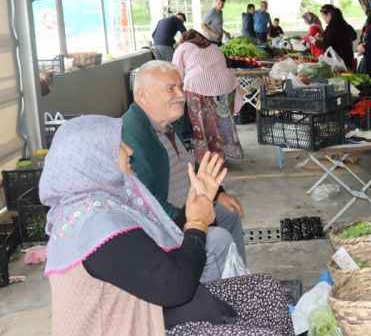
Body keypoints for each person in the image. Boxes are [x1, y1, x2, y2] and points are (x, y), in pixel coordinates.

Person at [42, 115, 293, 336]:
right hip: (139, 324)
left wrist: (198, 204)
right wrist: (196, 224)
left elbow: (157, 248)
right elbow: (176, 288)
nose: (129, 150)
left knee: (267, 290)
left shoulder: (98, 206)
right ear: (93, 159)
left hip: (150, 308)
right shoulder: (96, 225)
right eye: (118, 145)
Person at [123, 60, 247, 265]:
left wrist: (218, 193)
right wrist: (196, 221)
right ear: (142, 95)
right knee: (218, 238)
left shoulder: (166, 123)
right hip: (167, 223)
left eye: (180, 86)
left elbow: (189, 164)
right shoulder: (135, 137)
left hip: (187, 208)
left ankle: (238, 280)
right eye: (170, 89)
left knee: (229, 213)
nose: (181, 95)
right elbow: (147, 204)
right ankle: (213, 291)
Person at [172, 30, 244, 164]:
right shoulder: (214, 46)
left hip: (198, 86)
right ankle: (221, 155)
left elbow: (176, 73)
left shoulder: (183, 48)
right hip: (225, 86)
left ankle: (206, 160)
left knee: (201, 125)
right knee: (222, 123)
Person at [319, 4, 357, 70]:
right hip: (348, 58)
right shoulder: (344, 24)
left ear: (329, 15)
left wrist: (316, 42)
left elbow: (327, 45)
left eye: (323, 17)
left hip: (338, 62)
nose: (324, 19)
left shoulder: (332, 27)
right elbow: (354, 36)